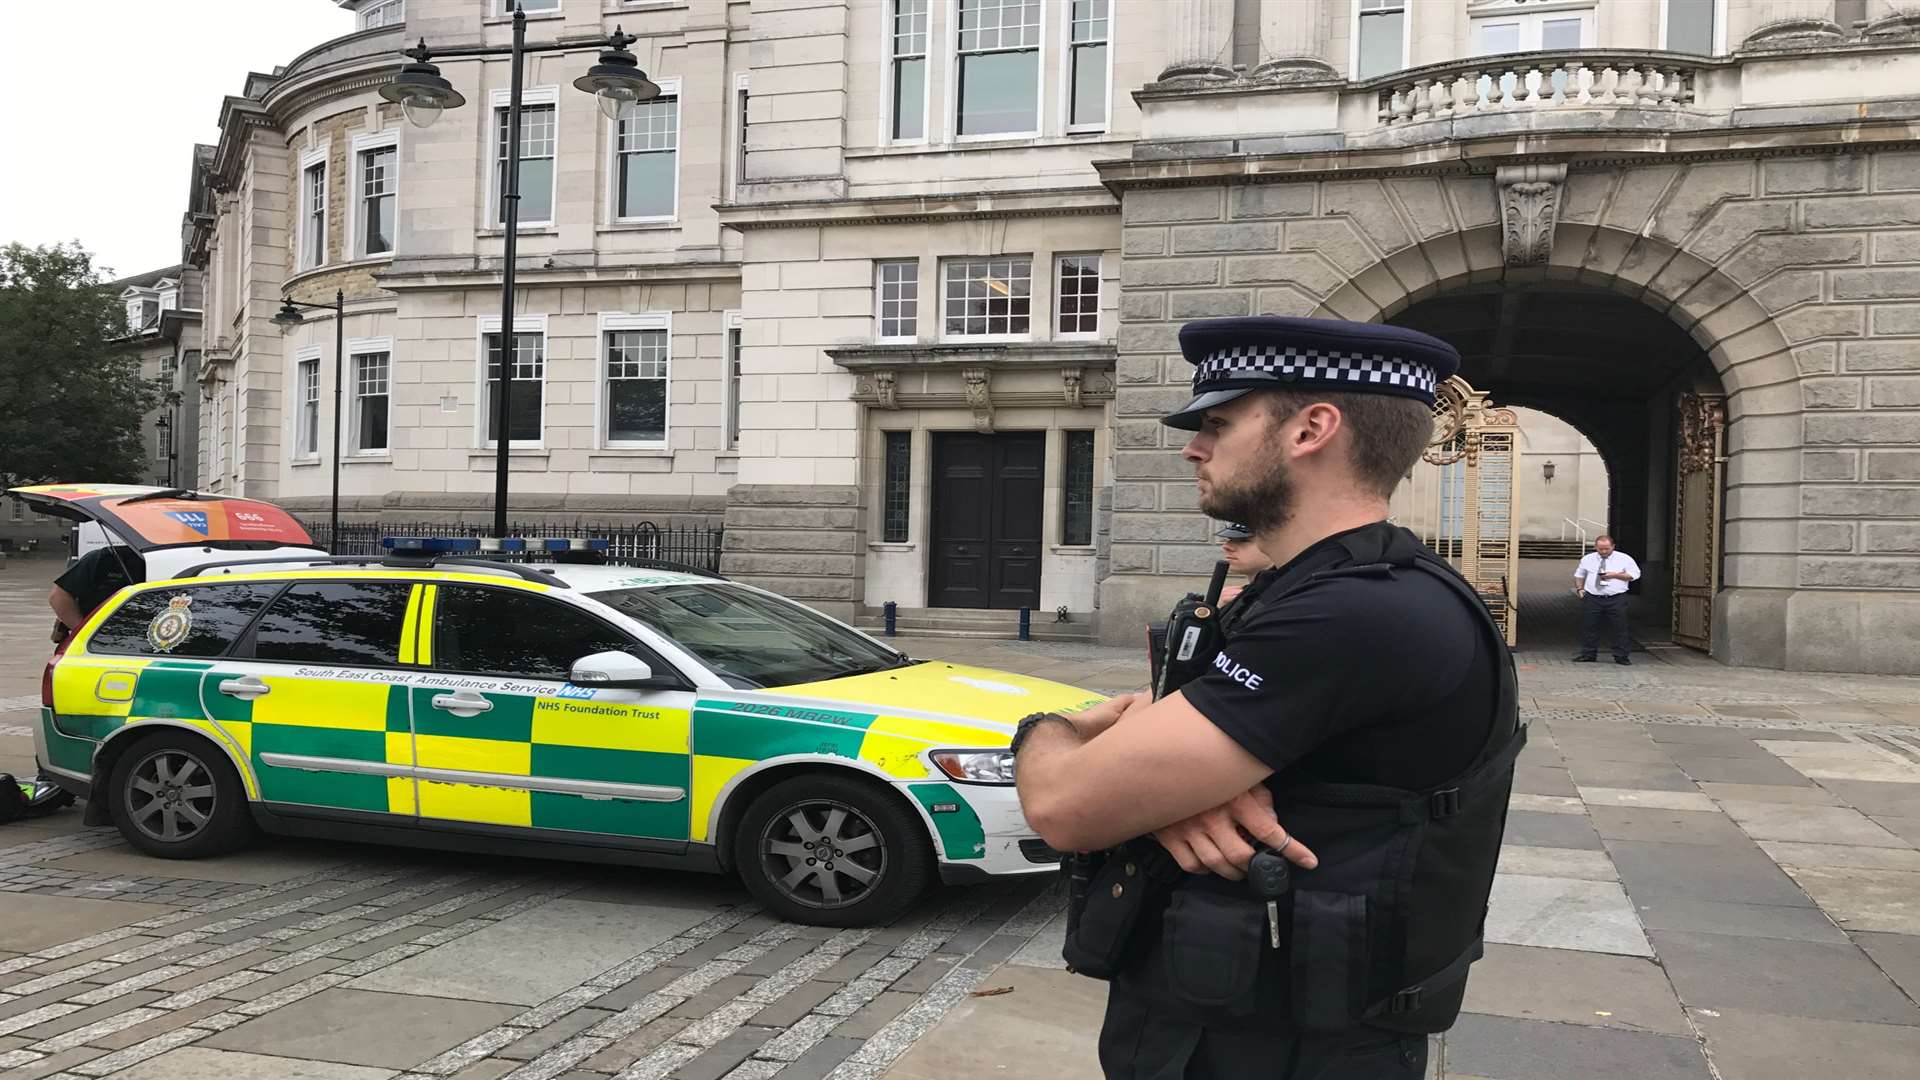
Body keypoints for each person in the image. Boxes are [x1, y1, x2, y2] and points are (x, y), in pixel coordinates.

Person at [1013, 316, 1521, 1080]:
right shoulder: (1321, 587)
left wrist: (1046, 729)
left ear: (1312, 429)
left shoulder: (1353, 612)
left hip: (1271, 1047)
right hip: (1243, 1018)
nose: (1194, 447)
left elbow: (1062, 806)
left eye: (1218, 423)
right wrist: (1174, 786)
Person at [48, 543, 146, 644]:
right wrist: (84, 633)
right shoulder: (105, 558)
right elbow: (59, 596)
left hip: (143, 640)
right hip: (97, 642)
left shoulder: (159, 562)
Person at [1573, 534, 1640, 665]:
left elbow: (1635, 575)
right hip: (1593, 597)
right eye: (1600, 549)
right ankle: (1588, 654)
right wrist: (1580, 589)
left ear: (1613, 546)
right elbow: (1579, 575)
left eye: (1607, 549)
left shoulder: (1624, 559)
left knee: (1619, 627)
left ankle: (1621, 656)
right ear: (1596, 547)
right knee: (1590, 626)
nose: (1604, 551)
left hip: (1616, 598)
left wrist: (1615, 575)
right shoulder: (1588, 559)